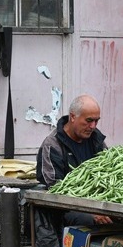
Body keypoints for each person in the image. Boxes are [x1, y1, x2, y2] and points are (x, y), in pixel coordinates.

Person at [36, 94, 113, 228]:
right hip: (63, 210)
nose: (93, 126)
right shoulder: (53, 145)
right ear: (73, 117)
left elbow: (111, 173)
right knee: (89, 221)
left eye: (96, 121)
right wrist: (91, 211)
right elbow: (56, 190)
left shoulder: (97, 141)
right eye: (89, 120)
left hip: (98, 203)